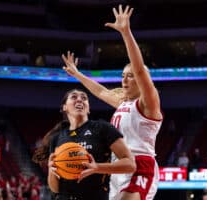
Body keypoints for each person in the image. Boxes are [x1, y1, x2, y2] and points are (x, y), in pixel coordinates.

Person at [61, 5, 163, 200]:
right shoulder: (123, 102)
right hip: (118, 167)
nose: (124, 80)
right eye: (123, 76)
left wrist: (126, 33)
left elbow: (140, 69)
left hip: (141, 166)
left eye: (130, 76)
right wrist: (77, 74)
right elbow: (100, 91)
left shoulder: (149, 103)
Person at [32, 89, 136, 200]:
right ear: (64, 107)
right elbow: (55, 189)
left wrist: (97, 167)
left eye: (84, 98)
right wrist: (52, 172)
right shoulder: (56, 138)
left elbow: (130, 165)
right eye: (74, 97)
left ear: (88, 109)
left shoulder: (102, 128)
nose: (80, 99)